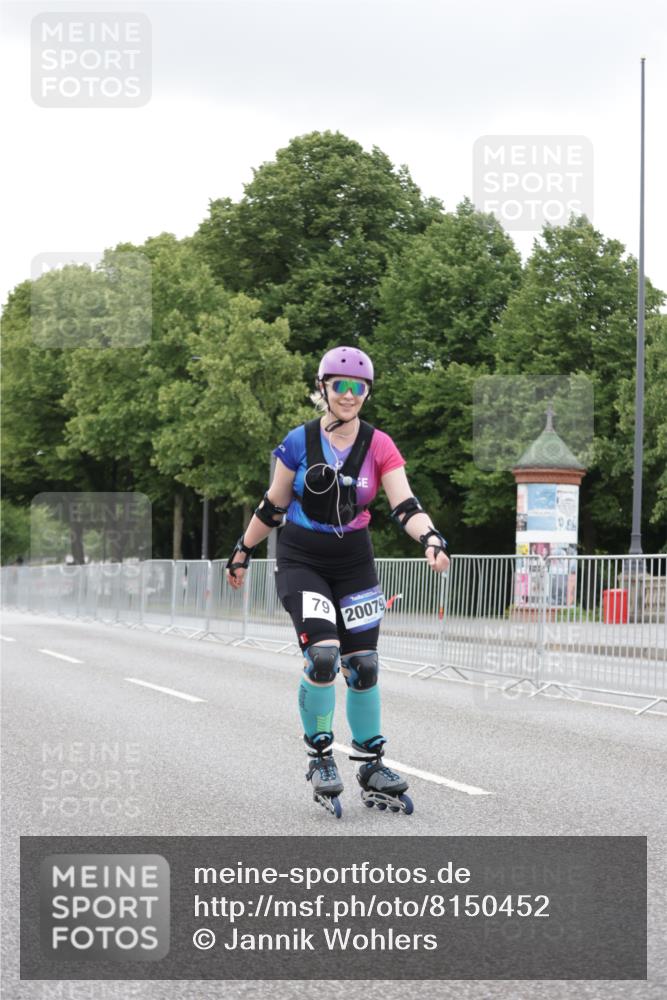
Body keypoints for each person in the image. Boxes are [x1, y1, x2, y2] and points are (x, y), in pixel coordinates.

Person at [226, 346, 449, 817]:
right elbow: (272, 507)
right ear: (323, 387)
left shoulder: (379, 445)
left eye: (358, 387)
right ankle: (322, 756)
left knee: (363, 664)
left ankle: (370, 763)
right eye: (339, 385)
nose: (348, 395)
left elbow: (404, 505)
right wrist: (243, 550)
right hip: (302, 557)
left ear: (366, 392)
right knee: (324, 655)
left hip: (354, 561)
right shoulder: (299, 441)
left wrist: (430, 537)